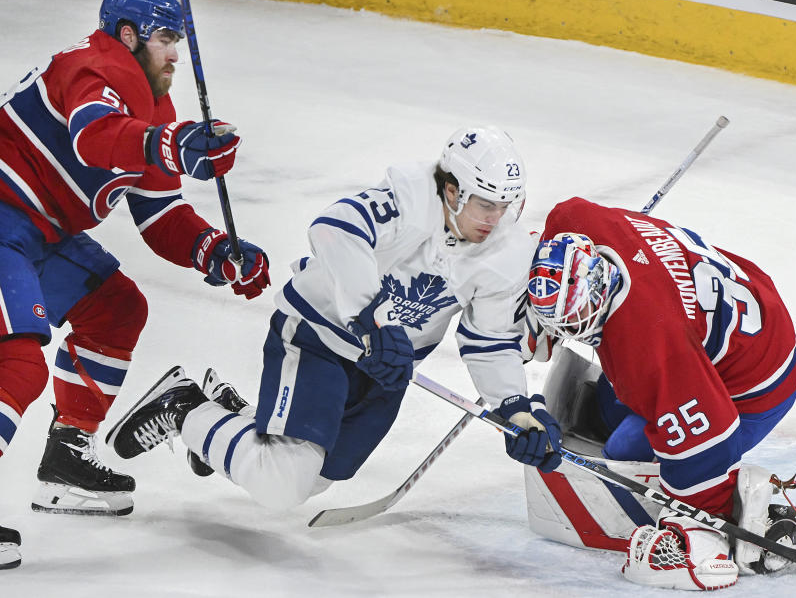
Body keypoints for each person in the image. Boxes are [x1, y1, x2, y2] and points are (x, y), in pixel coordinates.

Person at [105, 125, 563, 512]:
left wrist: (518, 413)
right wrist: (373, 319)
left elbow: (490, 341)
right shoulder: (408, 200)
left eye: (505, 205)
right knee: (282, 482)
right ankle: (184, 407)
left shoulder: (503, 249)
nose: (496, 217)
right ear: (451, 190)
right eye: (486, 203)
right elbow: (335, 227)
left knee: (320, 477)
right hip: (318, 338)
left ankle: (232, 416)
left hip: (385, 368)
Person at [0, 0, 270, 566]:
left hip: (35, 230)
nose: (177, 53)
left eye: (180, 39)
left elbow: (160, 214)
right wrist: (173, 146)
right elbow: (97, 139)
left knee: (117, 309)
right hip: (2, 219)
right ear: (128, 36)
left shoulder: (153, 105)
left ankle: (67, 459)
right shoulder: (91, 68)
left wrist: (216, 251)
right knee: (17, 362)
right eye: (166, 38)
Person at [525, 197, 796, 590]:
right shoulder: (575, 222)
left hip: (759, 383)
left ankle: (748, 504)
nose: (572, 331)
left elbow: (710, 434)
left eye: (574, 320)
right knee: (609, 409)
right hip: (749, 302)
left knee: (622, 447)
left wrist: (704, 512)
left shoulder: (652, 348)